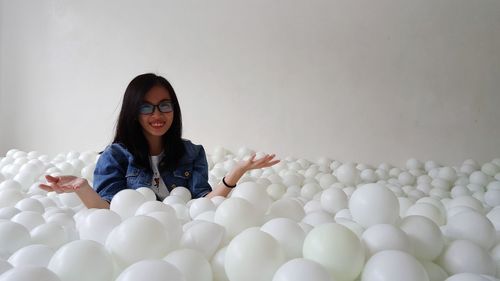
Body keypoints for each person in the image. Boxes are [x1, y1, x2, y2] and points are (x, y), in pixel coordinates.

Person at [39, 73, 279, 209]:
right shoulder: (115, 156)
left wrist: (236, 172)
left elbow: (202, 205)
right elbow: (109, 210)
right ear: (133, 111)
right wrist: (83, 187)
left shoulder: (192, 153)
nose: (157, 115)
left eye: (165, 105)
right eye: (146, 107)